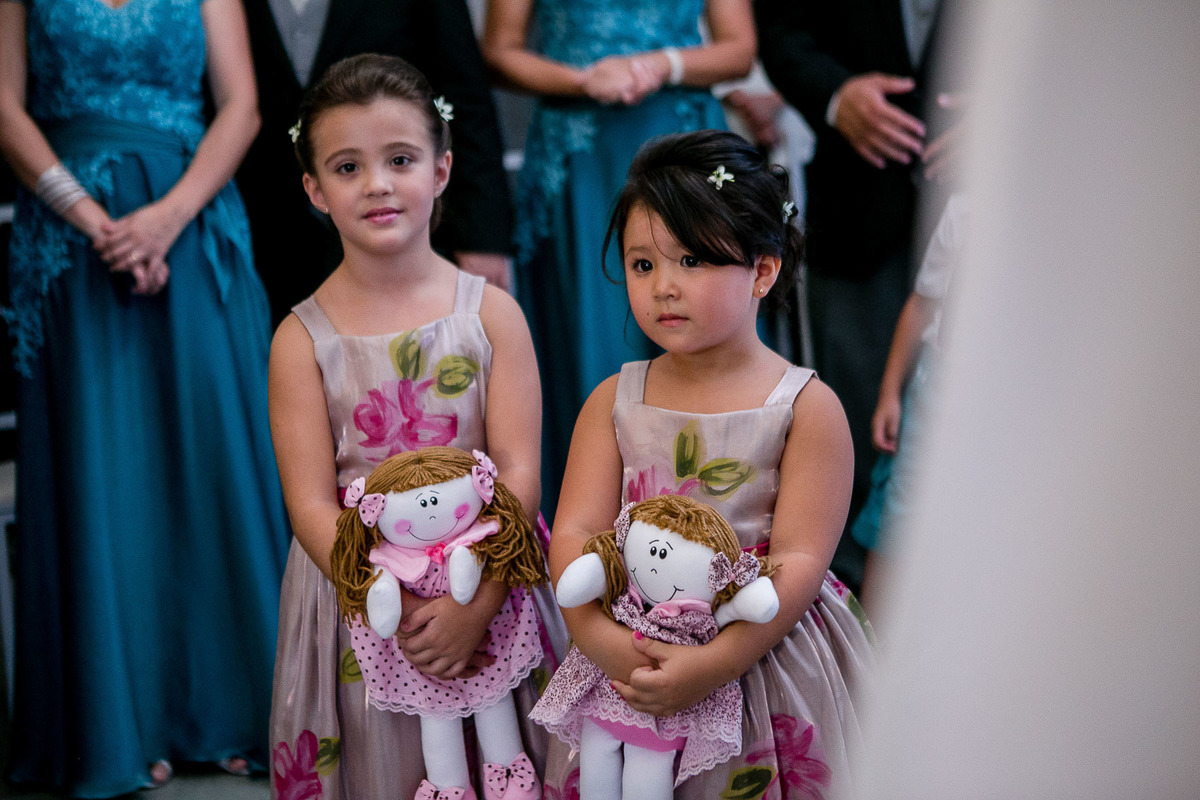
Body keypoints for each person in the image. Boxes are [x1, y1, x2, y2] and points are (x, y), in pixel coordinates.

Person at [0, 0, 289, 795]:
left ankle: (236, 709)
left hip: (192, 223)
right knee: (105, 466)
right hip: (69, 236)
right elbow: (3, 107)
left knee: (212, 458)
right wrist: (93, 221)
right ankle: (117, 724)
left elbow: (242, 107)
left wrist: (164, 220)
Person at [541, 130, 876, 799]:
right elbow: (574, 531)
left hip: (760, 651)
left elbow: (801, 559)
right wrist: (602, 641)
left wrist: (716, 663)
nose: (663, 287)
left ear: (762, 269)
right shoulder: (614, 399)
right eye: (642, 265)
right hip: (629, 647)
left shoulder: (805, 408)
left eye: (692, 260)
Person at [267, 54, 563, 800]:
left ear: (440, 169)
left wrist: (481, 599)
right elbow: (308, 503)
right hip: (362, 606)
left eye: (400, 159)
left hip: (492, 585)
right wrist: (386, 603)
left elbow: (520, 472)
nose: (377, 184)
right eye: (347, 166)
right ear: (313, 190)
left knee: (512, 761)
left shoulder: (492, 314)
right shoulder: (301, 340)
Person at [481, 0, 755, 523]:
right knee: (598, 338)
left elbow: (739, 49)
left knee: (706, 327)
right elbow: (499, 52)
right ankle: (597, 530)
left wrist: (661, 65)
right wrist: (582, 81)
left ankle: (716, 519)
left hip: (680, 140)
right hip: (582, 155)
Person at [754, 0, 943, 592]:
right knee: (860, 400)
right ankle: (861, 582)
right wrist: (836, 96)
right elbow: (783, 33)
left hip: (996, 197)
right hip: (861, 197)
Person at [239, 0, 514, 325]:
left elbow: (465, 91)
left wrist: (481, 235)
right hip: (261, 230)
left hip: (410, 233)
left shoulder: (498, 316)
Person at [852, 192, 966, 607]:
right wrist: (890, 395)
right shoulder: (965, 208)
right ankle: (872, 644)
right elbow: (921, 304)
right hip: (937, 383)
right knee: (899, 513)